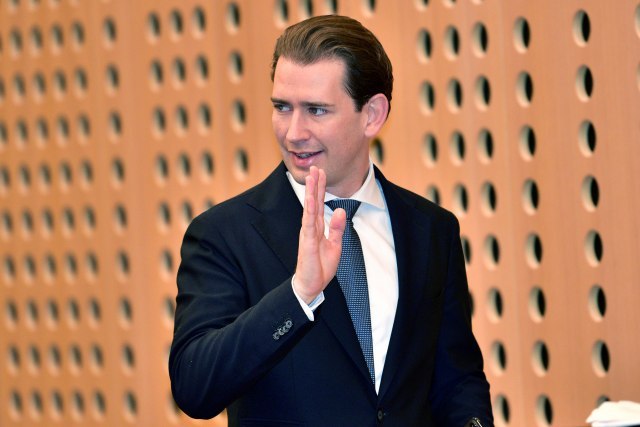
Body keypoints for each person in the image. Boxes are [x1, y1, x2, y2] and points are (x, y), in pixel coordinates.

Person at [169, 14, 493, 427]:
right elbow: (195, 388)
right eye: (282, 107)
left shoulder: (432, 230)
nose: (293, 132)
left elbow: (457, 380)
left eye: (316, 110)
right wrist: (298, 295)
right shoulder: (224, 234)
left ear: (372, 114)